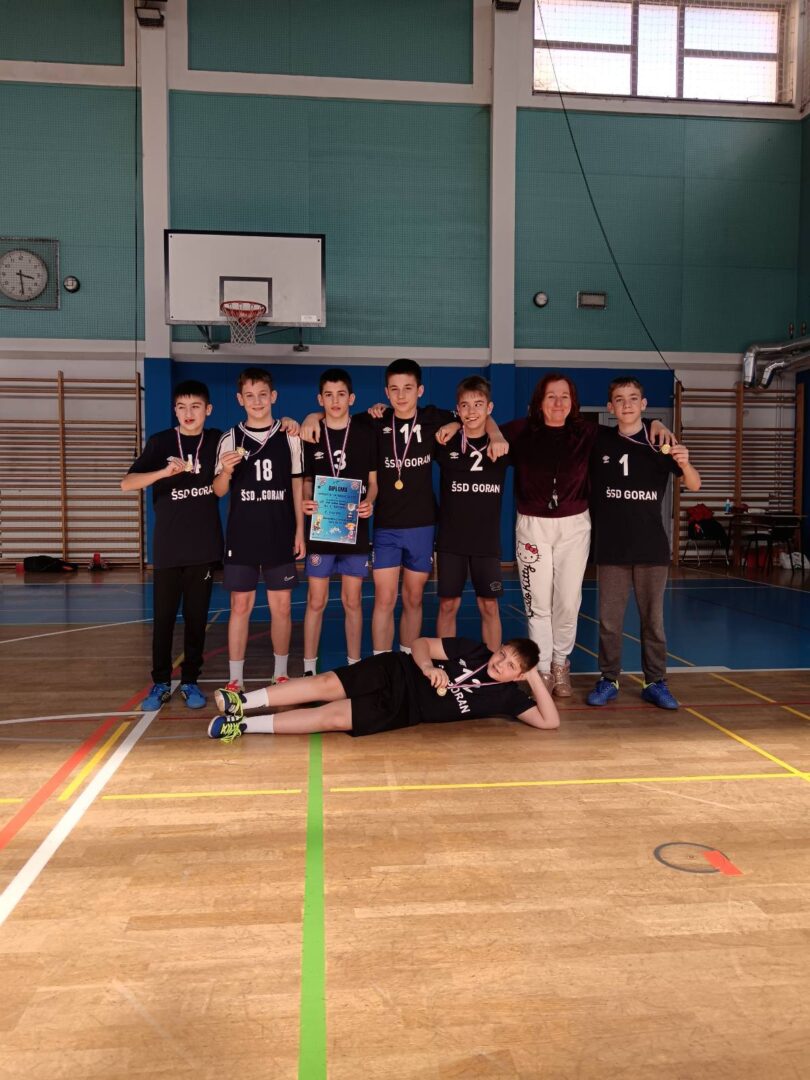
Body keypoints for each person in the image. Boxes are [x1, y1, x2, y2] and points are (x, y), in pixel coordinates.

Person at [500, 373, 672, 698]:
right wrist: (470, 426)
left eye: (564, 396)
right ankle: (541, 669)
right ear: (540, 401)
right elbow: (484, 427)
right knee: (538, 606)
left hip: (574, 526)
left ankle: (560, 664)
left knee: (567, 603)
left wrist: (656, 423)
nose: (558, 403)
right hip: (533, 526)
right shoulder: (521, 431)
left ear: (573, 401)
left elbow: (629, 425)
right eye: (551, 396)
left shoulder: (588, 432)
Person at [586, 377, 701, 710]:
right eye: (619, 399)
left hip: (651, 548)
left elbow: (694, 484)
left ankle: (655, 681)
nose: (627, 404)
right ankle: (609, 679)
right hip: (611, 548)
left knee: (653, 620)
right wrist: (655, 422)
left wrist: (684, 461)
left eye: (633, 398)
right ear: (610, 407)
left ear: (644, 403)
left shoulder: (660, 443)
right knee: (610, 621)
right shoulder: (600, 439)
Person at [206, 634, 559, 740]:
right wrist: (426, 666)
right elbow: (421, 643)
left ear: (519, 676)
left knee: (330, 718)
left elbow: (550, 721)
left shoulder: (508, 697)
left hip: (404, 710)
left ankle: (242, 725)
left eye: (511, 666)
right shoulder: (474, 650)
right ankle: (242, 701)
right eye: (503, 654)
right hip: (398, 671)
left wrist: (532, 676)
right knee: (325, 684)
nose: (500, 663)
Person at [121, 380, 222, 710]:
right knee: (163, 620)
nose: (188, 413)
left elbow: (254, 437)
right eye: (181, 407)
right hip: (168, 548)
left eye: (195, 406)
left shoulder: (218, 440)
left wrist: (297, 420)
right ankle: (161, 682)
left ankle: (190, 681)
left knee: (196, 620)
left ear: (208, 409)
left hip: (203, 548)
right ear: (175, 411)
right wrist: (163, 473)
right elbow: (127, 483)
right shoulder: (161, 441)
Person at [214, 367, 304, 691]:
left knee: (282, 607)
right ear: (240, 399)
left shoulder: (290, 436)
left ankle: (280, 673)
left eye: (262, 395)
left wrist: (300, 531)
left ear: (273, 396)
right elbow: (219, 491)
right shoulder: (229, 438)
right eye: (249, 396)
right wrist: (226, 471)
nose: (257, 401)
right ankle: (235, 679)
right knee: (240, 606)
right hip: (242, 536)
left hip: (280, 533)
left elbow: (297, 487)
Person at [302, 368, 377, 673]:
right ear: (320, 399)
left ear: (352, 398)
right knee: (315, 601)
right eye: (329, 395)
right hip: (321, 529)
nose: (335, 401)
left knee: (352, 601)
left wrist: (370, 501)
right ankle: (308, 668)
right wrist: (306, 499)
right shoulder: (311, 433)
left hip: (354, 530)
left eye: (341, 394)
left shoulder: (365, 432)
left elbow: (373, 482)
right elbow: (307, 479)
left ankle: (354, 666)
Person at [433, 376, 510, 651]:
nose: (471, 411)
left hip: (486, 543)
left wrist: (496, 433)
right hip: (451, 541)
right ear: (457, 409)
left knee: (489, 606)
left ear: (490, 408)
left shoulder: (502, 444)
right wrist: (455, 423)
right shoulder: (446, 440)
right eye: (465, 405)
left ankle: (492, 666)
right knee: (448, 605)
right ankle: (447, 666)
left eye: (478, 404)